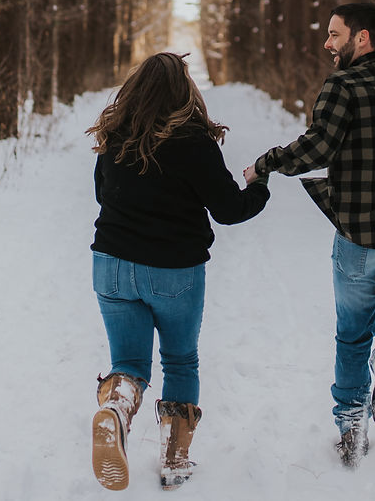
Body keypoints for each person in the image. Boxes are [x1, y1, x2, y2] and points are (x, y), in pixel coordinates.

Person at [244, 2, 375, 468]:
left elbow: (317, 148)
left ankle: (352, 427)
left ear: (363, 38)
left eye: (335, 35)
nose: (327, 44)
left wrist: (264, 164)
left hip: (360, 240)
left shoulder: (343, 85)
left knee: (353, 336)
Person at [88, 52, 269, 491]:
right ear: (185, 91)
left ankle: (116, 407)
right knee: (180, 360)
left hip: (110, 266)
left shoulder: (115, 137)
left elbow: (101, 194)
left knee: (128, 363)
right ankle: (175, 457)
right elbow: (228, 210)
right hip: (173, 272)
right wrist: (258, 188)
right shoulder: (194, 143)